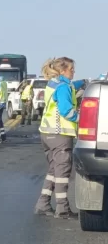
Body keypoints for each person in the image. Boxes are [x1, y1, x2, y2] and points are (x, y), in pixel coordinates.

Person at [34, 57, 87, 219]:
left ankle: (43, 204)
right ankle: (62, 210)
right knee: (62, 172)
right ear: (63, 70)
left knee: (53, 170)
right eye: (72, 69)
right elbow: (66, 111)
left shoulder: (55, 83)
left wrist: (84, 82)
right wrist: (82, 118)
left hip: (47, 133)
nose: (74, 71)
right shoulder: (63, 87)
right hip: (59, 134)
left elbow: (71, 86)